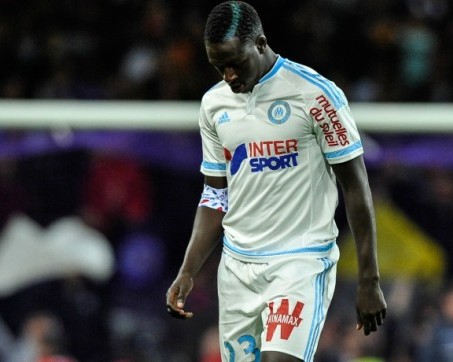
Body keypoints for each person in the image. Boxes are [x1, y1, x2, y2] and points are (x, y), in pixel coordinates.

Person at [165, 1, 387, 361]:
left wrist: (369, 279)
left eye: (235, 63)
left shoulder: (315, 94)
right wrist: (188, 270)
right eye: (219, 66)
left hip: (300, 261)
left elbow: (356, 187)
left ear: (262, 44)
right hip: (237, 267)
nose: (229, 75)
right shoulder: (214, 105)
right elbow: (214, 196)